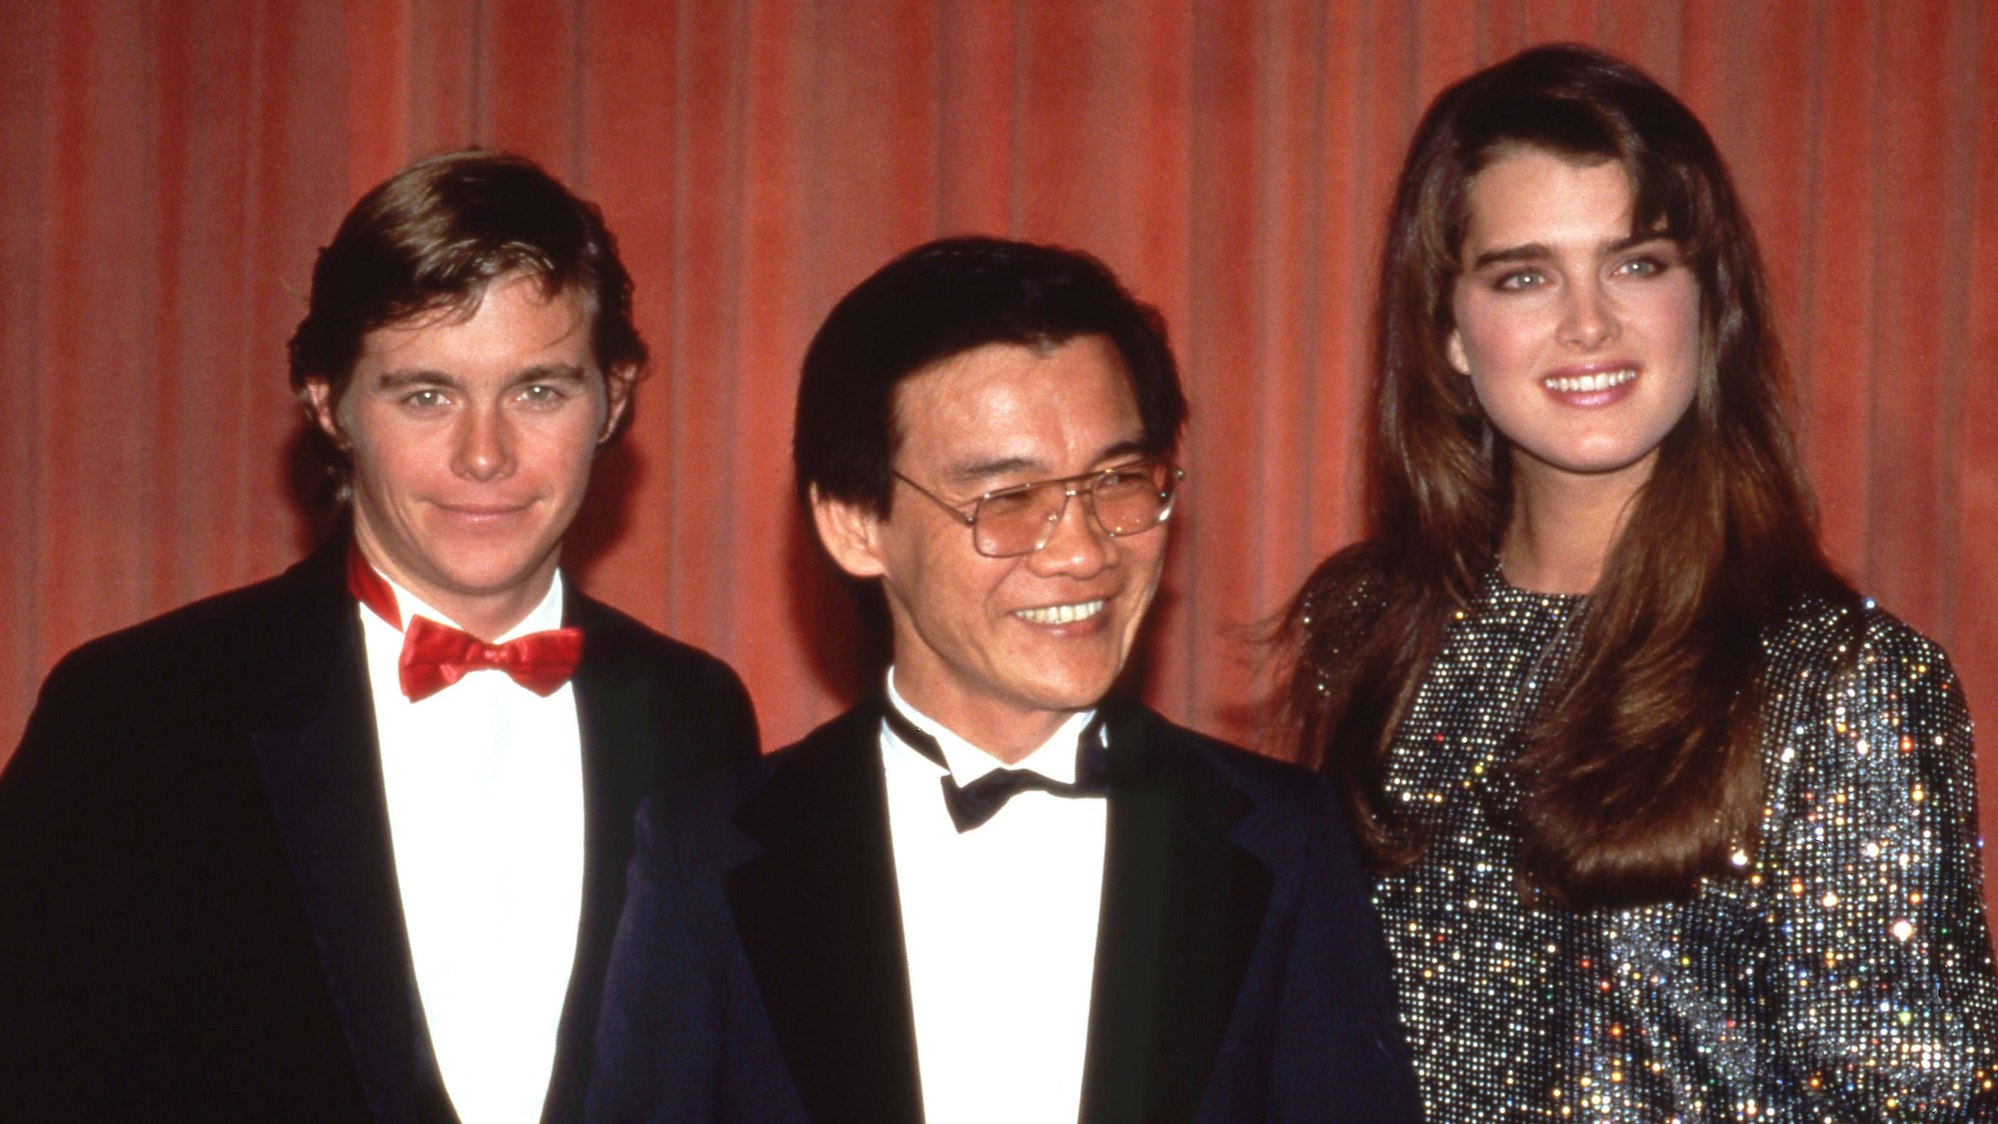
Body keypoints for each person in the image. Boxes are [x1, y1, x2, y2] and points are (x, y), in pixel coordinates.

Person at [1275, 43, 1998, 1122]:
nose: (1589, 324)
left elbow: (1916, 1100)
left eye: (1638, 262)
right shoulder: (1369, 628)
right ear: (1449, 333)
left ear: (1709, 302)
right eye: (1525, 274)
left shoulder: (1841, 682)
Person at [588, 236, 1420, 1123]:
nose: (1083, 550)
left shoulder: (1286, 842)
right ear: (854, 525)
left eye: (1119, 480)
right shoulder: (707, 855)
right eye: (1008, 499)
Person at [0, 150, 759, 1122]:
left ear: (612, 394)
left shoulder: (695, 714)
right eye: (426, 393)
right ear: (328, 400)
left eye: (538, 390)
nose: (484, 453)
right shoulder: (140, 709)